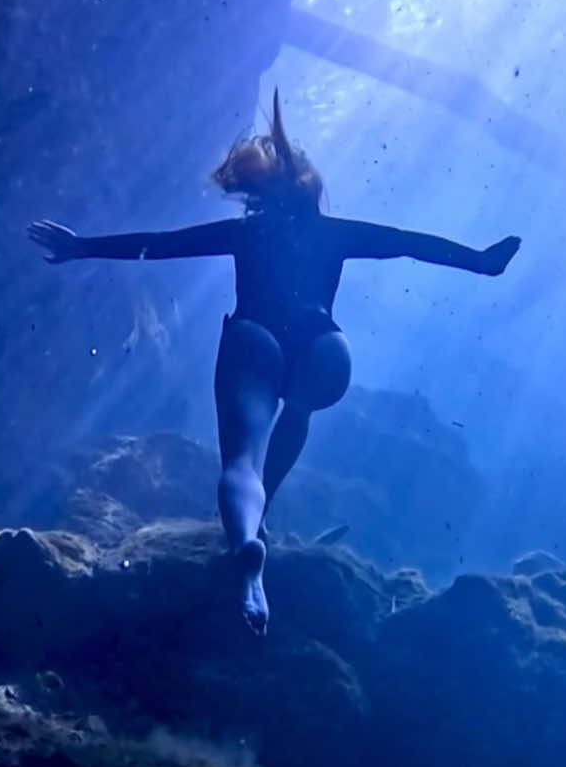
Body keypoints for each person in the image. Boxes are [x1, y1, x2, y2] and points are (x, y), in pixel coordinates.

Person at [29, 90, 520, 634]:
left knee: (241, 463)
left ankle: (245, 552)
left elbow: (159, 244)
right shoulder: (336, 232)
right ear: (312, 189)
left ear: (257, 193)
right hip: (325, 348)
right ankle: (260, 526)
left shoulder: (247, 232)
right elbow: (408, 243)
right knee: (299, 413)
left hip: (255, 336)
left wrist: (82, 247)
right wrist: (479, 262)